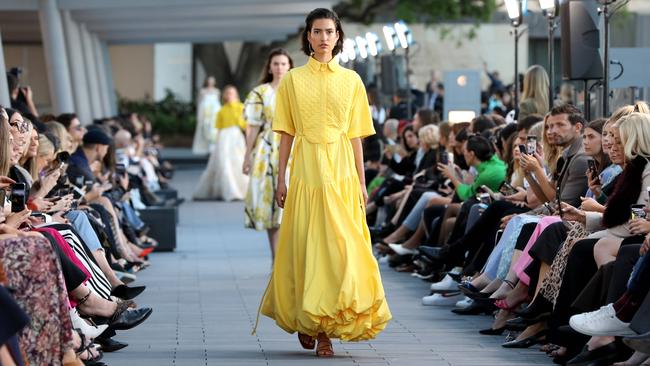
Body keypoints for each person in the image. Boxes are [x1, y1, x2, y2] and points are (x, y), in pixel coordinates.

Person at [254, 8, 391, 357]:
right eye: (317, 31)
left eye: (330, 31)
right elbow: (285, 134)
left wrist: (362, 183)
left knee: (344, 248)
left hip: (342, 170)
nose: (324, 38)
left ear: (338, 36)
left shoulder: (352, 80)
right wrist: (281, 178)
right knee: (308, 245)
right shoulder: (294, 81)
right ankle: (315, 325)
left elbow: (357, 136)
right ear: (308, 36)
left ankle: (327, 321)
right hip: (306, 171)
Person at [242, 48, 294, 260]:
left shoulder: (297, 89)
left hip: (293, 147)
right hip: (267, 148)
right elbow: (252, 127)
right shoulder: (260, 93)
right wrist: (247, 156)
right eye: (276, 64)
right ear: (269, 67)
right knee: (270, 202)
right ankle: (276, 258)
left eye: (283, 63)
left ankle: (290, 258)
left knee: (293, 201)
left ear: (290, 65)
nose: (280, 68)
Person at [193, 85, 249, 201]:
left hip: (236, 137)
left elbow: (245, 125)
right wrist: (216, 144)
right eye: (228, 93)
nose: (230, 95)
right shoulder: (221, 110)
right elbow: (218, 128)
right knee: (225, 162)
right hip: (224, 138)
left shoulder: (241, 107)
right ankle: (228, 190)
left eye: (232, 93)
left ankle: (241, 189)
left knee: (237, 160)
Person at [192, 76, 221, 155]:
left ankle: (212, 148)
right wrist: (199, 115)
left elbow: (218, 103)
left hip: (214, 114)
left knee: (213, 130)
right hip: (205, 114)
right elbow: (199, 103)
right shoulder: (202, 91)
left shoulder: (217, 91)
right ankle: (205, 148)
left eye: (212, 81)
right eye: (209, 81)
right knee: (204, 129)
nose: (211, 82)